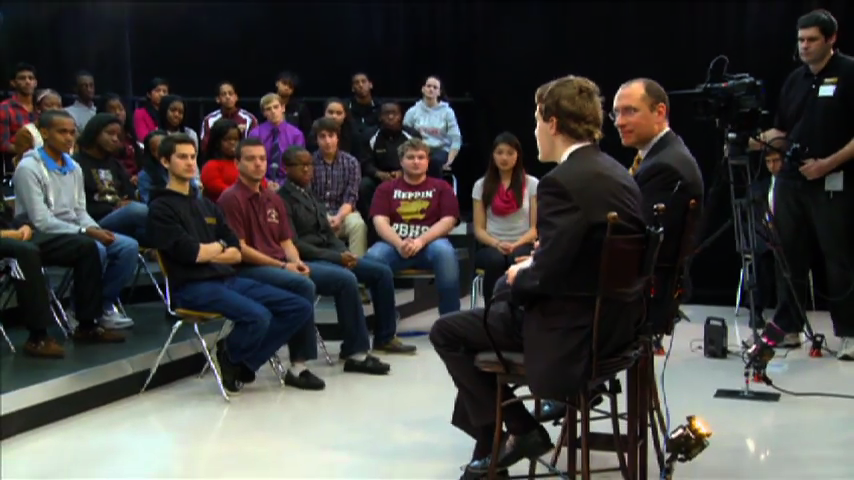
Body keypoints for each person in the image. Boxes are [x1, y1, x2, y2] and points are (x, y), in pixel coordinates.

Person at [429, 75, 646, 478]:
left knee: (448, 331)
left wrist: (519, 278)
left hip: (569, 332)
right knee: (490, 306)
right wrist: (526, 270)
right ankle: (498, 447)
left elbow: (544, 277)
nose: (535, 133)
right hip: (614, 325)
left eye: (535, 123)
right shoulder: (618, 173)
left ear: (552, 123)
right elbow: (574, 255)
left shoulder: (560, 183)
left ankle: (514, 434)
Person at [147, 133, 313, 394]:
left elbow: (237, 251)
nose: (190, 162)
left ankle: (241, 359)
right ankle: (234, 356)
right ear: (165, 161)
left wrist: (215, 250)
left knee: (299, 307)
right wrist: (221, 248)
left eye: (193, 156)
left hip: (226, 279)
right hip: (191, 286)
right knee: (259, 316)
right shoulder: (160, 208)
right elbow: (192, 254)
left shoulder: (206, 205)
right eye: (182, 157)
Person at [749, 10, 854, 360]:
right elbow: (782, 129)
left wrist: (828, 164)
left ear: (831, 39)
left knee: (838, 258)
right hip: (791, 181)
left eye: (811, 40)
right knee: (788, 256)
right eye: (800, 40)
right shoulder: (795, 79)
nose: (805, 46)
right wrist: (753, 142)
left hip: (833, 180)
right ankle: (789, 327)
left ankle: (849, 332)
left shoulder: (850, 73)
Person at [280, 145, 416, 363]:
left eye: (309, 165)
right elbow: (295, 244)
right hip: (305, 260)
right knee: (346, 278)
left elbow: (328, 233)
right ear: (287, 168)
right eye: (300, 165)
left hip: (330, 253)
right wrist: (337, 257)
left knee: (381, 272)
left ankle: (385, 337)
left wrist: (344, 251)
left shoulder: (310, 194)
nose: (307, 170)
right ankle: (355, 349)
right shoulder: (282, 199)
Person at [216, 137, 325, 389]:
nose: (258, 164)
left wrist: (297, 262)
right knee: (302, 286)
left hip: (278, 267)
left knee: (308, 280)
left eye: (262, 159)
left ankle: (247, 359)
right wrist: (284, 268)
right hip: (244, 269)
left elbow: (286, 241)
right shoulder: (230, 198)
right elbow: (240, 249)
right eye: (251, 159)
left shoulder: (273, 198)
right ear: (237, 163)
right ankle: (298, 365)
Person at [13, 110, 138, 329]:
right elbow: (41, 220)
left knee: (127, 246)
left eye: (72, 132)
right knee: (93, 247)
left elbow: (80, 211)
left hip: (74, 230)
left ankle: (103, 305)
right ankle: (81, 310)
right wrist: (87, 232)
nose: (69, 138)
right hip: (39, 235)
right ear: (44, 133)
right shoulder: (28, 168)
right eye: (62, 132)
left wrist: (95, 228)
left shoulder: (74, 167)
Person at [613, 78, 704, 330]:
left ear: (659, 111)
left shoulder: (666, 166)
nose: (620, 121)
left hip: (642, 294)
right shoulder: (659, 155)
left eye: (630, 111)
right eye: (616, 113)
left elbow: (635, 239)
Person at [0, 196, 121, 357]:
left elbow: (7, 218)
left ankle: (87, 325)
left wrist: (23, 226)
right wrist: (12, 234)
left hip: (16, 236)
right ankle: (38, 337)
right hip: (9, 240)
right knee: (26, 253)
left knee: (85, 246)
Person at [365, 137, 461, 315]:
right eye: (410, 157)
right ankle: (387, 319)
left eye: (420, 157)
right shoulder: (386, 188)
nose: (416, 161)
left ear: (428, 161)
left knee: (446, 253)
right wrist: (399, 244)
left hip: (431, 244)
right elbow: (380, 221)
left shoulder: (441, 187)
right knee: (373, 257)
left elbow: (449, 220)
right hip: (394, 245)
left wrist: (421, 241)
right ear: (401, 161)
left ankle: (450, 320)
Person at [472, 132, 538, 304]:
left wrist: (516, 244)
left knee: (515, 258)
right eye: (499, 152)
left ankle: (519, 309)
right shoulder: (481, 185)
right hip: (492, 245)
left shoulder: (532, 184)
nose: (504, 157)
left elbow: (534, 229)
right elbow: (479, 229)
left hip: (522, 243)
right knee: (495, 260)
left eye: (510, 153)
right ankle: (492, 310)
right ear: (493, 155)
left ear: (518, 155)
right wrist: (497, 244)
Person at [74, 113, 148, 243]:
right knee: (137, 210)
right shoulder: (76, 164)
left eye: (118, 136)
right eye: (110, 133)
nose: (115, 139)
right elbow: (77, 206)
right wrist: (115, 207)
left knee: (156, 228)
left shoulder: (115, 164)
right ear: (95, 133)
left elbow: (129, 195)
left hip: (121, 217)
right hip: (94, 223)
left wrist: (125, 202)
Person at [403, 76, 463, 178]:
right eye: (429, 86)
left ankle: (433, 192)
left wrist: (449, 161)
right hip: (418, 149)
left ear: (439, 92)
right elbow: (403, 134)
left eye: (435, 87)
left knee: (433, 162)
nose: (431, 89)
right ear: (423, 89)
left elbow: (456, 139)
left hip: (440, 150)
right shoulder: (412, 111)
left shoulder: (447, 112)